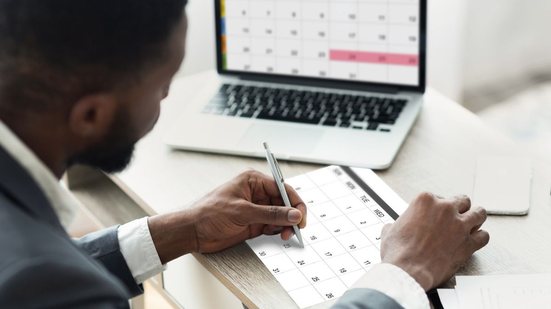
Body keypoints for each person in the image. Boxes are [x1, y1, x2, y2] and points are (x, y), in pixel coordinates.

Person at [0, 1, 490, 308]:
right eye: (162, 86)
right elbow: (47, 282)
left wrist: (184, 227)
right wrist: (404, 274)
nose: (168, 99)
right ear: (90, 115)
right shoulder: (53, 286)